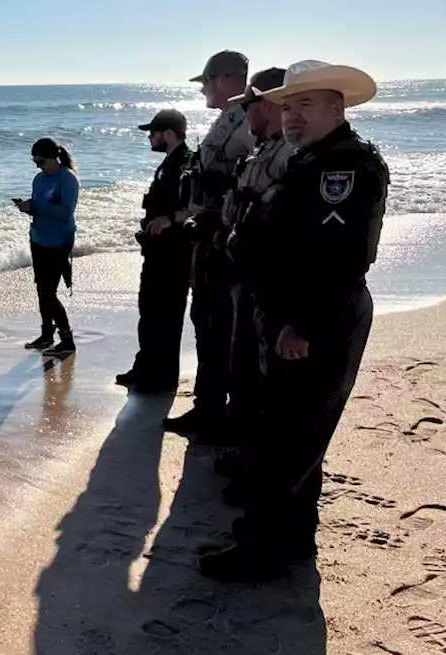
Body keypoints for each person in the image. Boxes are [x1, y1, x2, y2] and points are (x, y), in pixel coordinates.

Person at [200, 60, 389, 582]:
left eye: (306, 104)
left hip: (314, 320)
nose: (292, 116)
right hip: (288, 314)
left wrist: (300, 325)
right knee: (287, 431)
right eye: (287, 105)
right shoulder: (313, 160)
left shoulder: (343, 167)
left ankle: (266, 549)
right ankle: (288, 536)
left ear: (337, 107)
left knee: (288, 437)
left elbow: (340, 260)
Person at [164, 49, 255, 441]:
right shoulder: (227, 120)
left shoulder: (247, 121)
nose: (204, 90)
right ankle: (209, 407)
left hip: (223, 237)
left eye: (206, 81)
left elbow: (248, 182)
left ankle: (219, 414)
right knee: (206, 325)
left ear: (224, 78)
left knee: (219, 329)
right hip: (208, 235)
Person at [215, 67, 296, 495]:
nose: (245, 114)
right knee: (243, 366)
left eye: (248, 105)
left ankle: (260, 470)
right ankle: (246, 453)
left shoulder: (288, 154)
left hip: (269, 281)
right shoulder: (262, 149)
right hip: (247, 277)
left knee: (266, 379)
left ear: (267, 104)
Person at [116, 109, 195, 393]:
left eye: (154, 132)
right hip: (158, 253)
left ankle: (160, 378)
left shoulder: (186, 163)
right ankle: (145, 368)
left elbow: (197, 206)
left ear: (169, 134)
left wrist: (169, 219)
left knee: (166, 315)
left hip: (174, 255)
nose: (150, 137)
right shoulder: (169, 163)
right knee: (149, 311)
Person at [15, 137, 79, 357]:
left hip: (59, 241)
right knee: (42, 290)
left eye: (40, 161)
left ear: (54, 158)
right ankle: (46, 335)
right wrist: (27, 208)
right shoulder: (39, 179)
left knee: (48, 293)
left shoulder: (68, 179)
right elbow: (39, 208)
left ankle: (67, 339)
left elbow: (65, 212)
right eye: (34, 161)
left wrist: (36, 206)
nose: (37, 166)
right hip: (38, 239)